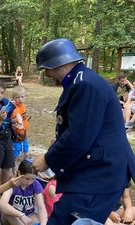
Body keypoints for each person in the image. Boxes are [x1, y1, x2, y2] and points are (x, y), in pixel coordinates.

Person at [33, 38, 135, 225]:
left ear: (60, 63)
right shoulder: (80, 81)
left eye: (47, 68)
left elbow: (78, 136)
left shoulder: (85, 84)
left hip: (101, 174)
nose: (47, 74)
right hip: (96, 169)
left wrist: (48, 160)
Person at [0, 160, 48, 225]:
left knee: (40, 221)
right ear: (19, 173)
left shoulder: (36, 184)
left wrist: (43, 223)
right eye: (27, 179)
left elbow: (41, 207)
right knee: (14, 218)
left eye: (33, 179)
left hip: (29, 214)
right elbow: (2, 205)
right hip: (12, 215)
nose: (30, 182)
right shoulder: (12, 183)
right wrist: (21, 215)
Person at [11, 86, 29, 162]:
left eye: (22, 97)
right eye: (17, 97)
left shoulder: (23, 106)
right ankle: (13, 167)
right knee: (15, 153)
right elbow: (17, 115)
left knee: (26, 150)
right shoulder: (14, 107)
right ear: (13, 98)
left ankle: (26, 163)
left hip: (23, 133)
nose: (20, 99)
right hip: (16, 135)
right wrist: (20, 122)